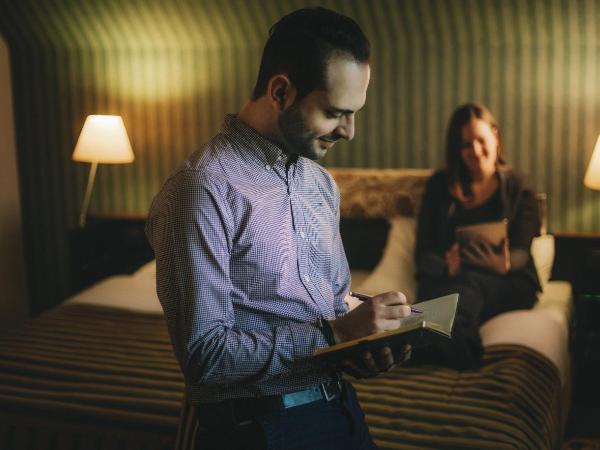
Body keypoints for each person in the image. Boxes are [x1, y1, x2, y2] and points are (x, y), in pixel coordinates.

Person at [145, 7, 412, 450]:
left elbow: (330, 305)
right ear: (281, 91)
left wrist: (366, 338)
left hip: (342, 412)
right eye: (335, 113)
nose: (349, 131)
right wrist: (334, 336)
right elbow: (204, 356)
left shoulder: (321, 185)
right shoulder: (202, 189)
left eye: (354, 113)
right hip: (258, 432)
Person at [414, 102, 541, 369]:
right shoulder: (440, 186)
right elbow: (423, 254)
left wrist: (504, 265)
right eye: (465, 145)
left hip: (508, 282)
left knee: (467, 285)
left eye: (481, 140)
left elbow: (521, 251)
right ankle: (455, 348)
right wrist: (445, 265)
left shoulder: (520, 187)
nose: (475, 151)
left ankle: (447, 350)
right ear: (456, 150)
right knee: (457, 286)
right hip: (450, 278)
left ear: (495, 136)